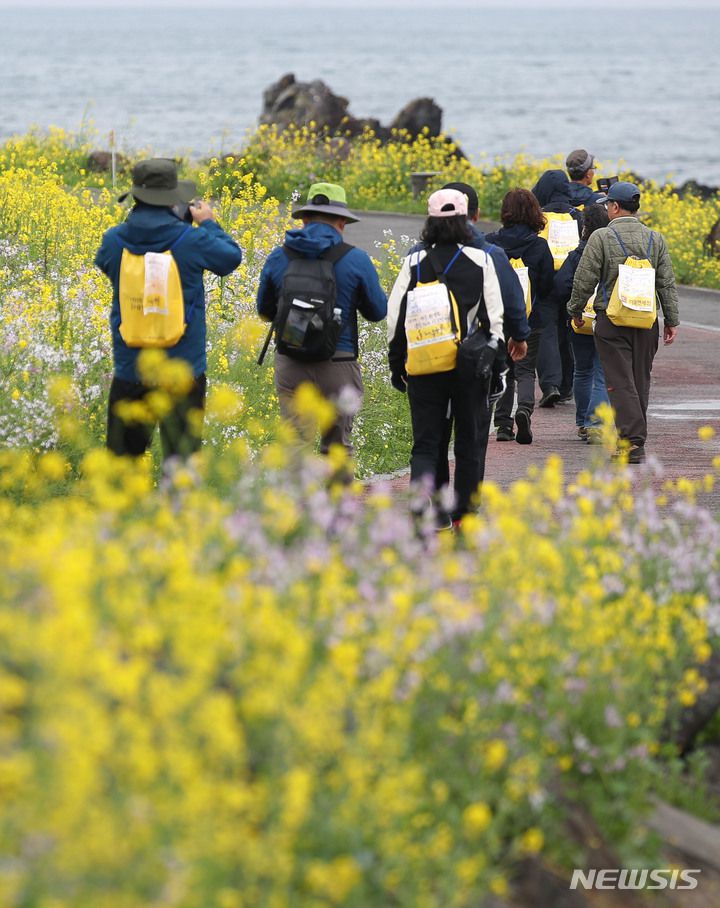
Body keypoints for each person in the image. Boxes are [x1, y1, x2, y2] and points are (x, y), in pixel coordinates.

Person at [95, 157, 243, 459]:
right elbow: (230, 258)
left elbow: (106, 264)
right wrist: (207, 223)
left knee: (122, 465)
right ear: (173, 200)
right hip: (183, 370)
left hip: (131, 369)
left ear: (136, 196)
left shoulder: (113, 241)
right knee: (182, 465)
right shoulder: (192, 240)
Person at [387, 188, 505, 526]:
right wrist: (498, 369)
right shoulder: (481, 261)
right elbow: (494, 321)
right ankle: (464, 515)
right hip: (468, 364)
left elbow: (395, 318)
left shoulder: (414, 262)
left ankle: (426, 506)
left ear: (430, 220)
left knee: (426, 443)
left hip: (425, 362)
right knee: (468, 441)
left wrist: (398, 364)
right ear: (465, 219)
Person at [256, 182, 386, 457]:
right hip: (339, 363)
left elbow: (265, 311)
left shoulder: (279, 257)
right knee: (337, 449)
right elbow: (377, 312)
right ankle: (336, 487)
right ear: (341, 222)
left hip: (291, 361)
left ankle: (296, 487)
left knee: (295, 446)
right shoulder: (356, 259)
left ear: (304, 219)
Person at [568, 181, 679, 462]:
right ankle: (633, 440)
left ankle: (631, 442)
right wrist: (671, 320)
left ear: (615, 206)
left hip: (612, 321)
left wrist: (575, 308)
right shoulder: (655, 238)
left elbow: (584, 278)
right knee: (640, 380)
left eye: (608, 204)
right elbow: (666, 283)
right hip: (646, 320)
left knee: (620, 381)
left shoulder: (602, 237)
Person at [428, 181, 529, 469]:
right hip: (477, 356)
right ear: (475, 213)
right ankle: (467, 497)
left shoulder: (418, 254)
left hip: (431, 353)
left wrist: (399, 361)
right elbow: (513, 301)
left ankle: (432, 496)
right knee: (472, 435)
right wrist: (519, 335)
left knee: (431, 437)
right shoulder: (491, 254)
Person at [487, 189, 555, 445]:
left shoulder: (490, 243)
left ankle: (503, 425)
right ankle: (524, 409)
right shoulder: (539, 246)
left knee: (502, 370)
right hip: (530, 317)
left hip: (496, 317)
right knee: (525, 369)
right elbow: (547, 284)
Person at [548, 203, 610, 440]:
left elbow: (560, 286)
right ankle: (596, 423)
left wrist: (572, 307)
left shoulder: (576, 254)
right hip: (605, 318)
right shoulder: (610, 251)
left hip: (580, 319)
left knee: (582, 370)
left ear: (585, 227)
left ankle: (583, 422)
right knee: (602, 372)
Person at [532, 169, 583, 406]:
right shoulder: (577, 216)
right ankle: (566, 386)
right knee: (569, 332)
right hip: (571, 282)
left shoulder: (538, 217)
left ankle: (550, 384)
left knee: (547, 332)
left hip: (546, 284)